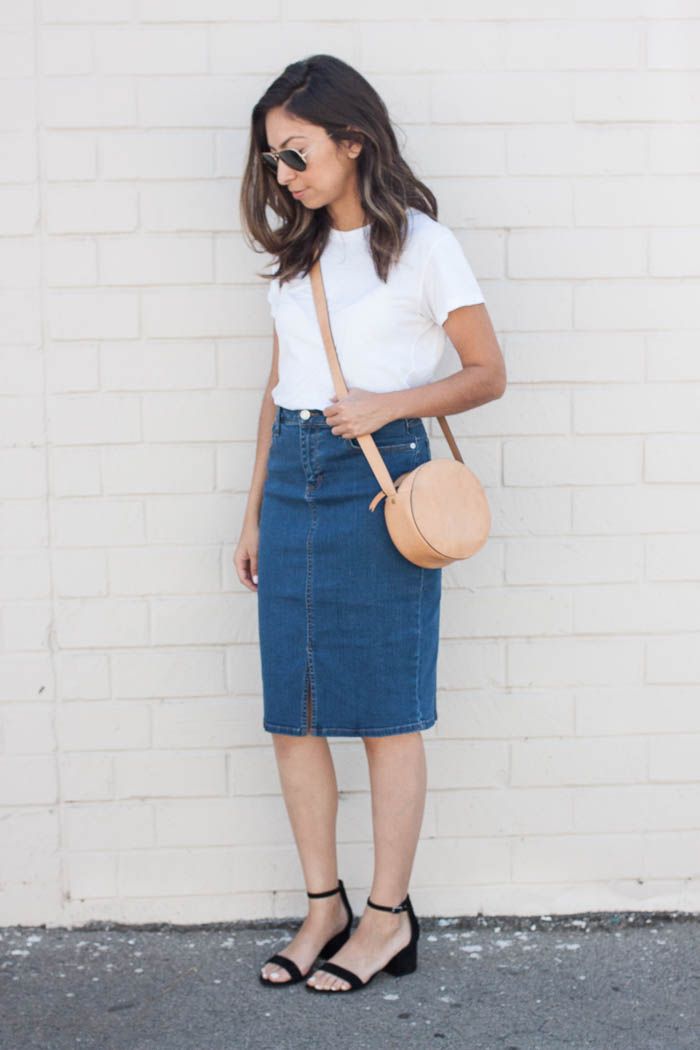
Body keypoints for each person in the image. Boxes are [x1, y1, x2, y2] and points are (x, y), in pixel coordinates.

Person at [235, 54, 506, 994]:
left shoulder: (425, 247)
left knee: (386, 713)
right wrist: (253, 513)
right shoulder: (300, 257)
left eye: (298, 152)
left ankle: (388, 918)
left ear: (353, 141)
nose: (285, 174)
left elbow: (485, 372)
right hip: (295, 488)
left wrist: (389, 406)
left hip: (380, 485)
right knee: (295, 716)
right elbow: (278, 391)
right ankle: (325, 906)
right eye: (273, 158)